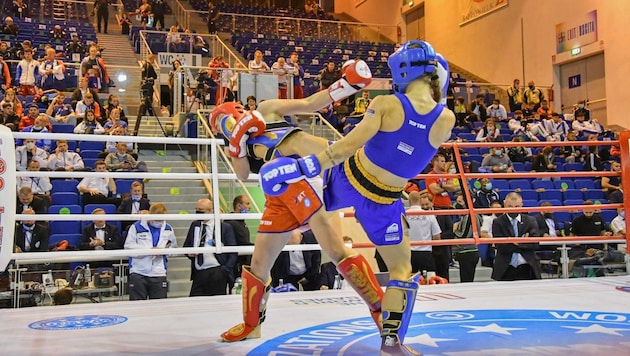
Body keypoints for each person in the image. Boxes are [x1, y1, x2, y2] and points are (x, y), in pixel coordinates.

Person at [258, 40, 455, 354]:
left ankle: (276, 172)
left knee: (290, 147)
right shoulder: (447, 120)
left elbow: (347, 145)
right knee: (401, 271)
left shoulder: (389, 103)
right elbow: (412, 147)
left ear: (403, 70)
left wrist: (304, 167)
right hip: (384, 200)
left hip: (347, 176)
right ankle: (391, 341)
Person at [215, 59, 383, 343]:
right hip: (279, 196)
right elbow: (242, 176)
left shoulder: (266, 109)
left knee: (335, 250)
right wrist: (237, 143)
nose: (228, 124)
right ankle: (251, 324)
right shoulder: (237, 149)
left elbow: (309, 104)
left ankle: (382, 312)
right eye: (222, 125)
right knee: (259, 262)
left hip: (307, 177)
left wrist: (345, 87)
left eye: (228, 118)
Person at [184, 198, 237, 296]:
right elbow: (186, 246)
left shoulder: (224, 227)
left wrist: (225, 270)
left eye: (201, 210)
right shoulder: (195, 225)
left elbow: (233, 252)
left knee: (216, 303)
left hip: (217, 271)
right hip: (199, 272)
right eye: (197, 209)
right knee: (194, 302)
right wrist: (190, 253)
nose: (198, 212)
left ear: (210, 210)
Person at [124, 203, 177, 300]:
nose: (159, 222)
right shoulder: (136, 227)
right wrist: (149, 251)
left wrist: (164, 252)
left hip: (159, 272)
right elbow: (128, 248)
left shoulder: (168, 228)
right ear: (150, 215)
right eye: (157, 220)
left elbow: (173, 247)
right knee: (137, 306)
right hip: (138, 272)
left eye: (161, 220)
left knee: (159, 307)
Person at [491, 192, 542, 281]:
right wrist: (523, 242)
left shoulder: (530, 220)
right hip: (505, 268)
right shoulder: (498, 222)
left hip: (528, 267)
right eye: (510, 206)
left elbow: (535, 244)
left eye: (517, 206)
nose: (513, 209)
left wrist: (514, 242)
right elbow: (501, 246)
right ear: (504, 204)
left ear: (521, 205)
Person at [407, 192, 440, 274]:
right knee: (430, 280)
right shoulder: (429, 215)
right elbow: (437, 237)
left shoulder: (403, 215)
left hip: (408, 253)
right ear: (419, 200)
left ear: (409, 200)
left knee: (409, 281)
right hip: (426, 253)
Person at [225, 195, 253, 283]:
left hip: (242, 262)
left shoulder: (241, 222)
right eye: (247, 204)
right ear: (239, 206)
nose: (249, 207)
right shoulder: (232, 223)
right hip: (236, 264)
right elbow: (243, 243)